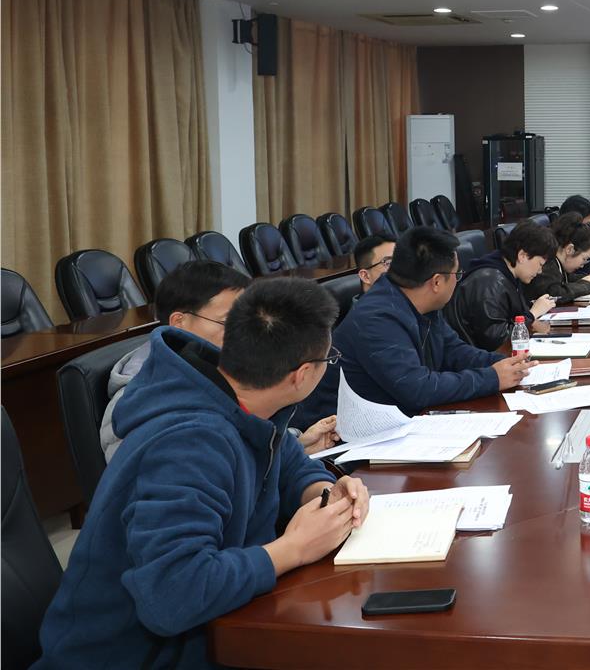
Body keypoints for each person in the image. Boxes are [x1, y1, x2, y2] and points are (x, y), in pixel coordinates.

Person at [37, 278, 369, 669]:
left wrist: (323, 493)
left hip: (217, 629)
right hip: (130, 656)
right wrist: (293, 548)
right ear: (302, 375)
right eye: (329, 360)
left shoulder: (242, 394)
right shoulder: (189, 444)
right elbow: (171, 596)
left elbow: (286, 460)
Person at [100, 262, 339, 461]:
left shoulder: (210, 365)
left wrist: (298, 443)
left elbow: (243, 437)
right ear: (179, 322)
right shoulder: (138, 394)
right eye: (230, 321)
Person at [294, 226, 534, 424]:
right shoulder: (376, 318)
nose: (457, 281)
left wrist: (505, 364)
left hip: (400, 423)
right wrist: (492, 378)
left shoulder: (421, 302)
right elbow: (417, 389)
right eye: (456, 274)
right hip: (349, 441)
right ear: (436, 282)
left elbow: (454, 351)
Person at [455, 221, 562, 350]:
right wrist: (532, 314)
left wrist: (531, 321)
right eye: (540, 264)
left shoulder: (510, 274)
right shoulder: (490, 282)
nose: (540, 271)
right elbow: (497, 342)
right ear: (522, 256)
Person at [524, 213, 590, 305]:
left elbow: (567, 278)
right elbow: (553, 293)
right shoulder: (547, 263)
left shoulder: (557, 262)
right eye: (584, 258)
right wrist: (585, 286)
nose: (583, 265)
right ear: (569, 249)